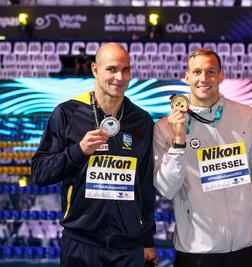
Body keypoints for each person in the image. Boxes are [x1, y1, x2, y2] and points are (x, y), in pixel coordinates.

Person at [31, 42, 158, 267]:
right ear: (95, 70)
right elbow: (40, 173)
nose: (120, 77)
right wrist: (78, 151)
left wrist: (147, 238)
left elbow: (145, 185)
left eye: (125, 69)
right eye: (111, 69)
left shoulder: (142, 121)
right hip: (81, 243)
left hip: (128, 247)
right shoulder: (67, 113)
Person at [153, 48, 252, 267]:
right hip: (196, 250)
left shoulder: (244, 115)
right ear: (187, 77)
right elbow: (166, 189)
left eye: (210, 72)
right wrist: (178, 142)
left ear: (221, 76)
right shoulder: (164, 128)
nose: (203, 79)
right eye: (197, 72)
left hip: (243, 247)